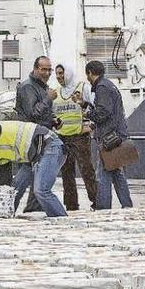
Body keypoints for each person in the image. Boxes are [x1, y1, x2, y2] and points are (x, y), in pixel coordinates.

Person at [0, 120, 67, 217]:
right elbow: (5, 178)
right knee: (13, 191)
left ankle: (61, 219)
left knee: (41, 190)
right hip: (33, 157)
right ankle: (5, 216)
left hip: (49, 146)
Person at [77, 60, 133, 209]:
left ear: (90, 72)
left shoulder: (102, 87)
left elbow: (103, 113)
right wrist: (85, 104)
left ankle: (103, 208)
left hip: (109, 138)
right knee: (116, 173)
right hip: (117, 135)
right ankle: (127, 206)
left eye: (87, 75)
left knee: (103, 175)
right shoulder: (110, 85)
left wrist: (88, 113)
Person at [15, 56, 60, 212]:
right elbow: (32, 113)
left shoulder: (41, 87)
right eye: (43, 69)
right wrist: (48, 99)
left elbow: (41, 114)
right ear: (35, 69)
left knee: (34, 174)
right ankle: (12, 204)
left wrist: (53, 121)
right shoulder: (28, 87)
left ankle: (32, 207)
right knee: (27, 173)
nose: (47, 73)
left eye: (49, 69)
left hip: (39, 136)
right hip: (30, 138)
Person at [52, 64, 97, 211]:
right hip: (62, 137)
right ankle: (71, 204)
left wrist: (91, 126)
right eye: (57, 74)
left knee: (87, 170)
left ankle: (96, 201)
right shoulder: (56, 92)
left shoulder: (82, 88)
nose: (59, 77)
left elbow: (94, 107)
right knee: (66, 172)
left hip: (79, 136)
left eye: (61, 73)